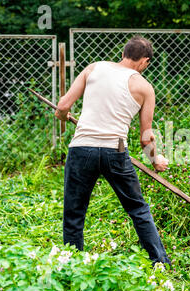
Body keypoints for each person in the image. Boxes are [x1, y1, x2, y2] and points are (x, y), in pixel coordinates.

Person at [54, 36, 171, 265]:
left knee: (74, 212)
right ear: (144, 61)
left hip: (82, 148)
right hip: (115, 152)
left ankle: (73, 265)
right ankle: (160, 263)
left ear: (124, 53)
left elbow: (62, 106)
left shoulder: (94, 68)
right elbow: (146, 138)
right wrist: (156, 160)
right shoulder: (145, 87)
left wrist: (62, 116)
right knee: (138, 208)